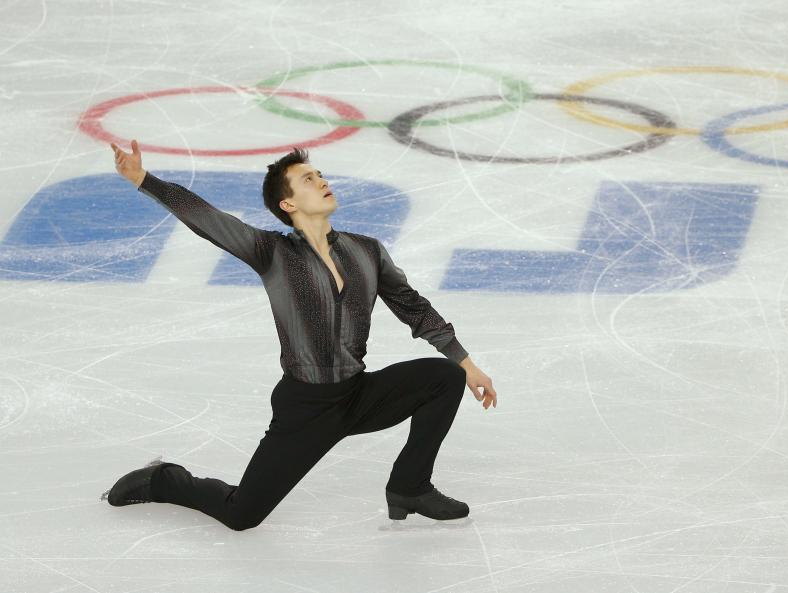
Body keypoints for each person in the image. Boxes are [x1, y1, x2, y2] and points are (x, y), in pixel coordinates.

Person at [101, 139, 497, 530]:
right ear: (287, 205)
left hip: (357, 395)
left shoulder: (367, 251)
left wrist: (465, 362)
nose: (321, 180)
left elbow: (412, 306)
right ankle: (164, 479)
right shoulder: (271, 252)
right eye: (308, 179)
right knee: (241, 515)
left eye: (320, 174)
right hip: (306, 408)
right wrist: (142, 179)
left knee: (445, 377)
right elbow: (206, 218)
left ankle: (410, 486)